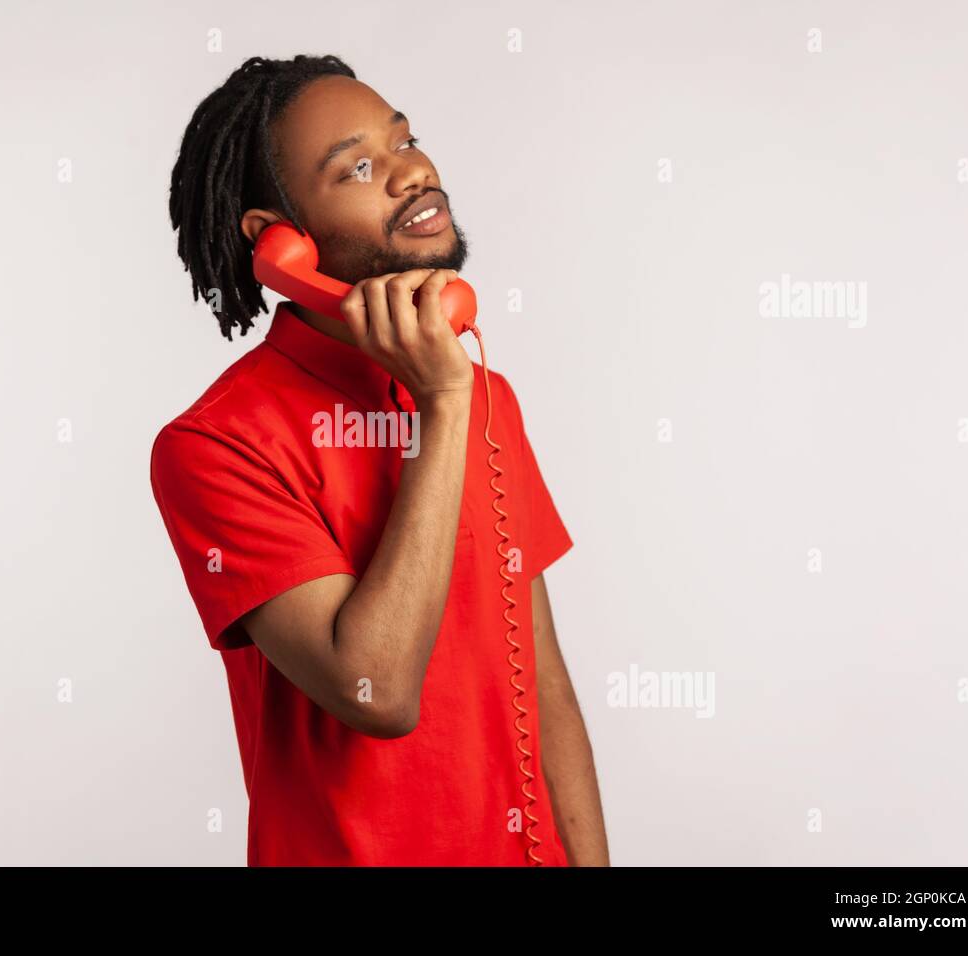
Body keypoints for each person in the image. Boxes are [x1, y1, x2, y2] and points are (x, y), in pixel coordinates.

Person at [152, 54, 608, 866]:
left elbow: (547, 689)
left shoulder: (481, 395)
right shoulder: (215, 445)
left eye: (407, 141)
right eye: (359, 167)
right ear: (278, 243)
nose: (413, 172)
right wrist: (442, 411)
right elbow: (378, 688)